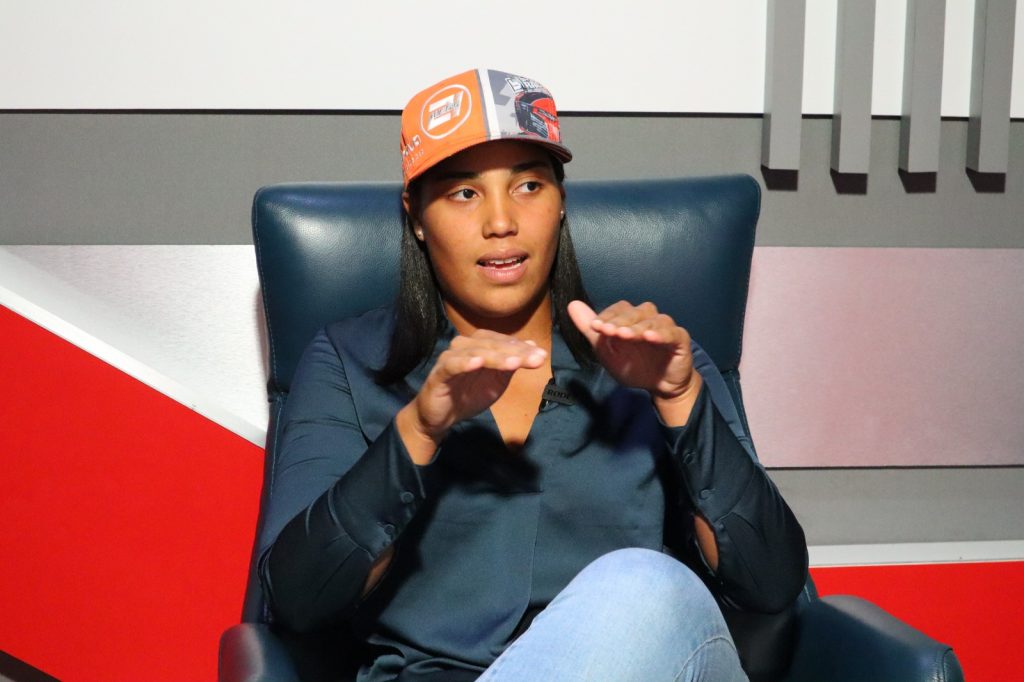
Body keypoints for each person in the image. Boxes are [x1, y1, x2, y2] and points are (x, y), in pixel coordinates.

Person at [258, 68, 808, 681]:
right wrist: (418, 431)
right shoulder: (349, 360)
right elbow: (298, 602)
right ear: (416, 215)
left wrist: (680, 398)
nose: (501, 221)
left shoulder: (654, 357)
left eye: (527, 185)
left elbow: (770, 586)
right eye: (463, 193)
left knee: (646, 587)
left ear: (560, 201)